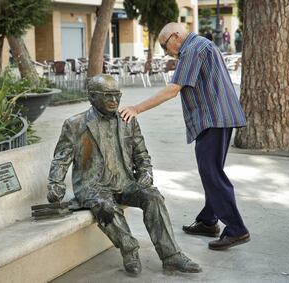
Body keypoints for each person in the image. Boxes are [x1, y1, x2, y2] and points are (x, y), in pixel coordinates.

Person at [46, 74, 201, 276]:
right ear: (92, 97)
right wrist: (55, 183)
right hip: (93, 187)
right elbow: (61, 158)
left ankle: (171, 256)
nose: (114, 100)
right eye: (107, 95)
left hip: (125, 182)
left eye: (117, 95)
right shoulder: (75, 124)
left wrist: (146, 172)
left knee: (153, 197)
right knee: (106, 207)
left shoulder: (128, 120)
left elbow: (141, 153)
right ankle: (130, 250)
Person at [119, 22, 250, 251]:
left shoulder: (192, 49)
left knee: (212, 172)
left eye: (164, 45)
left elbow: (173, 89)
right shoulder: (203, 44)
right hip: (218, 117)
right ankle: (209, 220)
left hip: (214, 118)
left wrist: (136, 108)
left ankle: (236, 229)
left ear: (175, 36)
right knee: (210, 170)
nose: (166, 51)